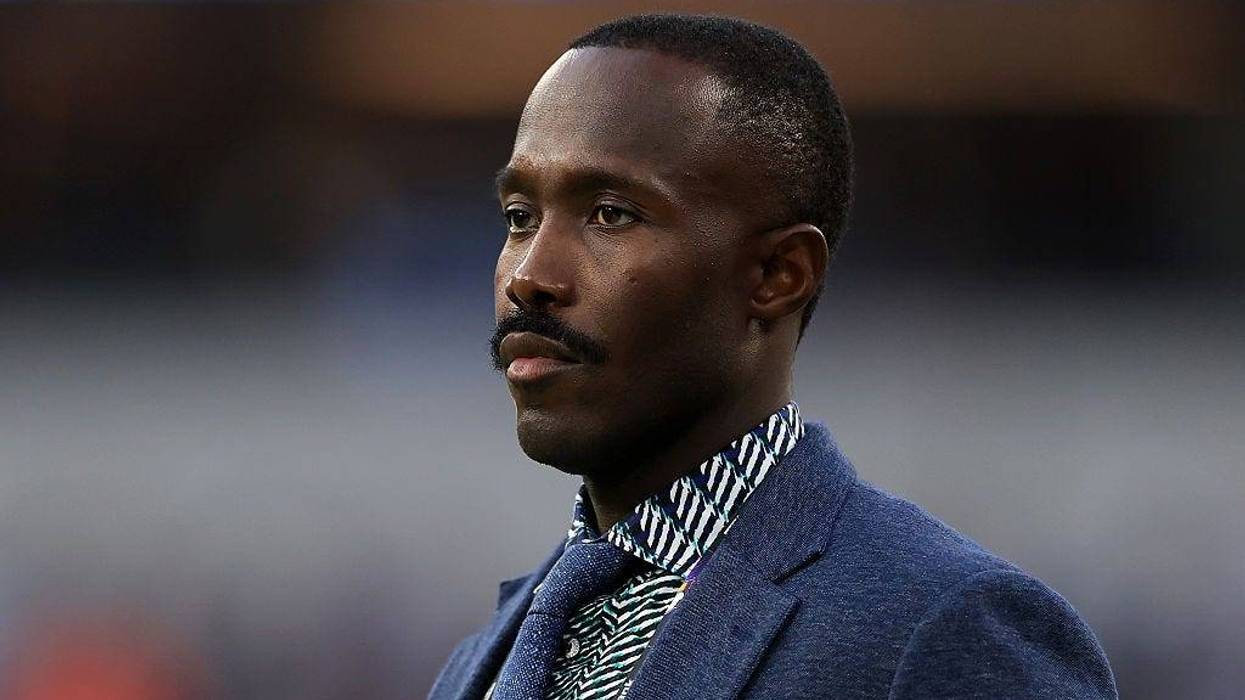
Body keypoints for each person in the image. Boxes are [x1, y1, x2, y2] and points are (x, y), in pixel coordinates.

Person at [430, 13, 1116, 700]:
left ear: (777, 275)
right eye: (519, 217)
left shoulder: (943, 628)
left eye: (611, 213)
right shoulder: (482, 662)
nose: (528, 276)